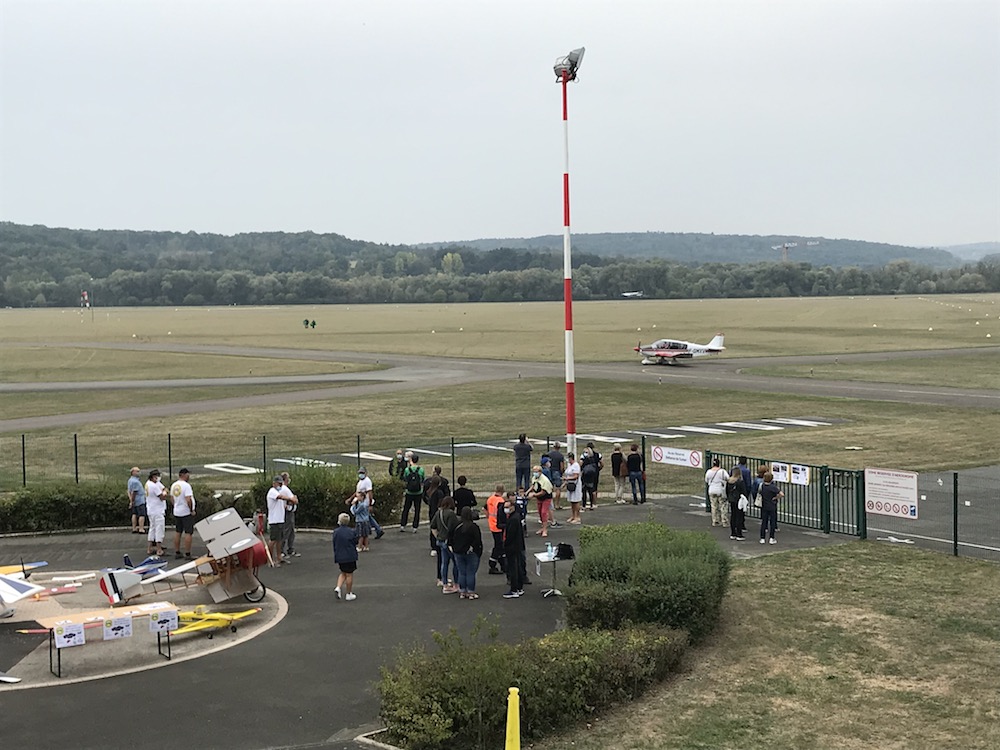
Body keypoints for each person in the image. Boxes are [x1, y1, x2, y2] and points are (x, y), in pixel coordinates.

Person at [449, 506, 483, 599]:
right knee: (471, 572)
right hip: (471, 552)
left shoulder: (456, 525)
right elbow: (478, 540)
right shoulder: (473, 527)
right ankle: (471, 592)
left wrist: (452, 547)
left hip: (458, 552)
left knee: (462, 572)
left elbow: (450, 537)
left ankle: (462, 591)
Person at [430, 495, 459, 592]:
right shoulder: (451, 514)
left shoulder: (439, 512)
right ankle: (456, 584)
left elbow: (433, 526)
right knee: (455, 563)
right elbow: (453, 529)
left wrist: (437, 536)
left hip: (441, 540)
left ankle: (445, 584)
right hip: (449, 541)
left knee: (444, 563)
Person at [501, 493, 525, 598]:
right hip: (517, 546)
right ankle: (519, 587)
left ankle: (514, 589)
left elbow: (510, 535)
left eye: (507, 507)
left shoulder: (513, 519)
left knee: (513, 568)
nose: (505, 509)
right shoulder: (515, 517)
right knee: (517, 566)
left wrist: (505, 544)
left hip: (512, 547)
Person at [170, 468, 196, 560]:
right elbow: (188, 499)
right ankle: (188, 553)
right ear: (184, 475)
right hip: (185, 512)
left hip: (177, 511)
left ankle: (177, 551)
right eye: (188, 474)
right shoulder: (186, 486)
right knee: (188, 532)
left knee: (178, 531)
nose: (189, 476)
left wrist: (175, 506)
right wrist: (191, 509)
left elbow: (172, 498)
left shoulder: (174, 485)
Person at [266, 476, 293, 564]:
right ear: (274, 483)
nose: (281, 485)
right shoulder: (272, 492)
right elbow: (280, 497)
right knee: (273, 540)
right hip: (274, 520)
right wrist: (291, 499)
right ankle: (270, 559)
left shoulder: (279, 491)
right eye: (279, 483)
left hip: (280, 519)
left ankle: (279, 557)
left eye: (281, 483)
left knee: (279, 539)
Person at [332, 512, 359, 601]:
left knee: (343, 572)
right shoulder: (352, 532)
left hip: (340, 555)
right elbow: (356, 541)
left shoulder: (336, 532)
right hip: (350, 556)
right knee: (349, 574)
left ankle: (338, 587)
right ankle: (348, 593)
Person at [144, 469, 168, 557]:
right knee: (159, 529)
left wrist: (164, 490)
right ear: (154, 477)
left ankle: (149, 548)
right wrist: (165, 492)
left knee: (152, 528)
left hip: (151, 509)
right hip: (157, 510)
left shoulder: (148, 483)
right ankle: (158, 549)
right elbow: (162, 496)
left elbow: (163, 487)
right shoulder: (153, 486)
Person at [355, 466, 384, 540]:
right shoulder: (360, 482)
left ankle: (374, 530)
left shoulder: (367, 481)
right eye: (360, 473)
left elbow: (370, 493)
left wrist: (370, 504)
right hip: (362, 502)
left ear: (366, 473)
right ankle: (378, 530)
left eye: (362, 473)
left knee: (366, 517)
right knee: (368, 517)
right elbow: (357, 492)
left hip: (366, 503)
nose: (361, 474)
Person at [399, 454, 425, 532]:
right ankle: (415, 526)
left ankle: (403, 525)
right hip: (418, 492)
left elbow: (405, 478)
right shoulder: (421, 470)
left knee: (406, 508)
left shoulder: (407, 469)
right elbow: (422, 479)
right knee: (417, 510)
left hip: (409, 492)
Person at [527, 464, 554, 538]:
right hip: (539, 498)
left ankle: (545, 529)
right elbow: (533, 485)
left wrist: (533, 495)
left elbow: (543, 492)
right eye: (534, 471)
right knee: (540, 512)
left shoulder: (544, 480)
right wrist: (527, 492)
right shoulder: (534, 478)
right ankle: (542, 527)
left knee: (544, 512)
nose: (534, 473)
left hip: (546, 497)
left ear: (540, 472)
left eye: (536, 471)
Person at [485, 483, 506, 574]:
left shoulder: (491, 498)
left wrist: (488, 517)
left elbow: (485, 509)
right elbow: (502, 514)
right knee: (499, 545)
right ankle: (492, 563)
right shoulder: (500, 501)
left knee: (500, 545)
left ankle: (503, 564)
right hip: (498, 526)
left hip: (492, 524)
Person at [758, 471, 783, 545]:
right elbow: (781, 494)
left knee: (764, 522)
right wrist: (776, 497)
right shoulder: (773, 487)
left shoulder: (762, 486)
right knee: (772, 522)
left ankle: (762, 538)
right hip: (772, 506)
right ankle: (771, 538)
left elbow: (759, 492)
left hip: (764, 505)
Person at [279, 471, 300, 559]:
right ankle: (282, 551)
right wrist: (294, 498)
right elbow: (294, 499)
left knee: (290, 531)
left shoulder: (282, 488)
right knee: (287, 531)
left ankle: (290, 549)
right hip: (287, 512)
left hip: (286, 511)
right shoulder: (285, 489)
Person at [705, 458, 730, 528]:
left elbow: (706, 480)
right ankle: (724, 521)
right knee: (723, 506)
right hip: (720, 490)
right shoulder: (722, 471)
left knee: (714, 506)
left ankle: (715, 520)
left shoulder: (709, 472)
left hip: (712, 490)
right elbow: (727, 478)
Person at [424, 476, 446, 556]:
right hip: (437, 512)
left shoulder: (430, 491)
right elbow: (441, 503)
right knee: (439, 529)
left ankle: (433, 546)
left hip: (431, 512)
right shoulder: (439, 492)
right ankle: (438, 545)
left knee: (433, 528)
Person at [726, 470, 747, 541]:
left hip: (732, 500)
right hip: (739, 500)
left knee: (733, 516)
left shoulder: (729, 481)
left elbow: (727, 491)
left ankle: (733, 533)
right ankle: (739, 534)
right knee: (739, 517)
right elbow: (744, 491)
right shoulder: (740, 482)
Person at [563, 452, 582, 524]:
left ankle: (578, 517)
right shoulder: (570, 466)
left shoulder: (576, 465)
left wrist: (567, 479)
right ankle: (573, 515)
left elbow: (576, 476)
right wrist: (565, 483)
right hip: (570, 485)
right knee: (572, 501)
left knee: (576, 501)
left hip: (575, 485)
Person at [127, 466, 147, 535]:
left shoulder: (130, 480)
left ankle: (134, 527)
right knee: (142, 514)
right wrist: (132, 500)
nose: (139, 472)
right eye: (137, 471)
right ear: (133, 472)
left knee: (134, 514)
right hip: (139, 500)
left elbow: (129, 491)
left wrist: (131, 500)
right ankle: (141, 528)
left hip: (135, 501)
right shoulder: (135, 482)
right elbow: (134, 492)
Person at [546, 442, 566, 510]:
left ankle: (550, 504)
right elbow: (562, 466)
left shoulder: (549, 454)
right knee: (558, 488)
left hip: (550, 471)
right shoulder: (560, 455)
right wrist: (562, 472)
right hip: (557, 472)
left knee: (549, 488)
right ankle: (557, 504)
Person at [584, 441, 603, 506]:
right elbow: (602, 463)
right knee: (595, 487)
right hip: (595, 472)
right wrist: (598, 469)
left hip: (586, 472)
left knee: (586, 487)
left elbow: (581, 463)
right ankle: (594, 502)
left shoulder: (584, 455)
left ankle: (588, 501)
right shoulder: (598, 454)